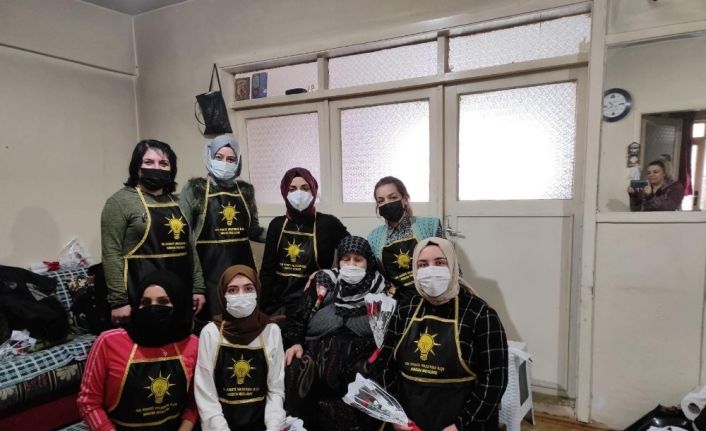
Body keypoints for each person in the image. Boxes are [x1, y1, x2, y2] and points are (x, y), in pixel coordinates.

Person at [374, 237, 508, 431]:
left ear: (452, 266)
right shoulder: (405, 309)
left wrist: (461, 424)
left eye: (439, 262)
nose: (431, 270)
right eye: (423, 264)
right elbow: (385, 365)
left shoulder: (480, 314)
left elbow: (495, 381)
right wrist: (396, 415)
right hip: (408, 424)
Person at [283, 236, 386, 430]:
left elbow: (384, 333)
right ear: (339, 261)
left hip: (359, 356)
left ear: (368, 263)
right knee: (298, 367)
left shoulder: (380, 289)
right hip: (317, 351)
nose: (351, 264)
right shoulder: (323, 282)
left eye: (358, 260)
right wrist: (295, 342)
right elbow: (299, 316)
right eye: (346, 259)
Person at [101, 139, 205, 326]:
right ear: (137, 167)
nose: (156, 168)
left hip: (179, 292)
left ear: (171, 169)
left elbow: (191, 249)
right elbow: (111, 253)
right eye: (149, 162)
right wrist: (118, 301)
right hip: (139, 294)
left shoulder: (179, 202)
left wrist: (198, 287)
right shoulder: (119, 202)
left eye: (163, 164)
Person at [77, 270, 199, 431]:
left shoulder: (192, 344)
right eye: (145, 302)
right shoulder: (108, 341)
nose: (153, 308)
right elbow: (88, 403)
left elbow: (195, 401)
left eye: (163, 301)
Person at [180, 134, 266, 318]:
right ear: (209, 157)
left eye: (231, 159)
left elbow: (254, 230)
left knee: (244, 318)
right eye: (219, 158)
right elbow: (184, 237)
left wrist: (280, 233)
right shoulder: (195, 189)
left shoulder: (245, 191)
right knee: (213, 323)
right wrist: (196, 285)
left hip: (242, 269)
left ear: (238, 162)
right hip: (207, 273)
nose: (225, 163)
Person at [259, 167, 349, 340]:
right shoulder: (276, 225)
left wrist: (330, 273)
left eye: (305, 188)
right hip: (279, 303)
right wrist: (260, 309)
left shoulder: (328, 224)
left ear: (313, 190)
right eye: (292, 189)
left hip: (314, 302)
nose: (299, 194)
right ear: (284, 192)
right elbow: (267, 271)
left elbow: (355, 254)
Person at [195, 265, 285, 431]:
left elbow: (276, 390)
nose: (241, 295)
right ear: (222, 295)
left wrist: (273, 426)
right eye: (233, 290)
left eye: (248, 288)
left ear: (257, 291)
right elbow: (205, 394)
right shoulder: (210, 333)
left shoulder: (271, 331)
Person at [367, 176, 443, 301]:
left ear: (405, 199)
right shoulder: (374, 237)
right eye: (381, 201)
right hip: (398, 300)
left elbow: (449, 263)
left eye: (393, 197)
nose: (387, 203)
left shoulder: (429, 226)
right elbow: (376, 275)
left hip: (433, 295)